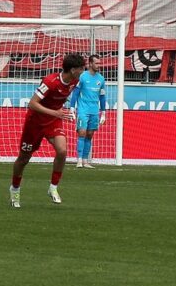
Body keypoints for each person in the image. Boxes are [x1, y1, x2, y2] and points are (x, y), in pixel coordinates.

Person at [10, 52, 84, 208]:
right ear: (72, 70)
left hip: (53, 120)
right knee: (23, 159)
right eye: (81, 68)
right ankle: (15, 189)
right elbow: (32, 103)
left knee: (62, 151)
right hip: (35, 122)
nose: (82, 71)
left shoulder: (75, 81)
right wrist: (55, 112)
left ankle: (53, 187)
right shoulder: (50, 82)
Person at [71, 52, 108, 168]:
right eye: (96, 63)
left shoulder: (101, 79)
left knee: (90, 134)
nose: (99, 65)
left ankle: (85, 161)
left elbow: (102, 96)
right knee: (82, 132)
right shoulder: (82, 76)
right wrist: (72, 108)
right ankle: (79, 160)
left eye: (99, 63)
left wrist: (103, 113)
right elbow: (75, 93)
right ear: (90, 64)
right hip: (83, 109)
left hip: (94, 111)